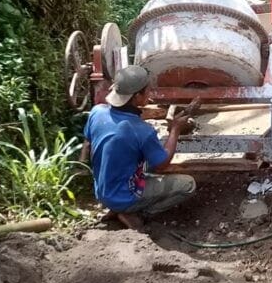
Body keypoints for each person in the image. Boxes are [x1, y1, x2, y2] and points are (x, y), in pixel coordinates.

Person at [81, 65, 197, 230]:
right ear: (136, 97)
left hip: (102, 191)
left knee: (139, 157)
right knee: (188, 185)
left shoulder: (97, 112)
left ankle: (117, 207)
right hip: (123, 195)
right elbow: (162, 164)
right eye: (147, 91)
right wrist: (175, 130)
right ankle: (135, 212)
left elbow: (89, 143)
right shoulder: (141, 130)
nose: (149, 94)